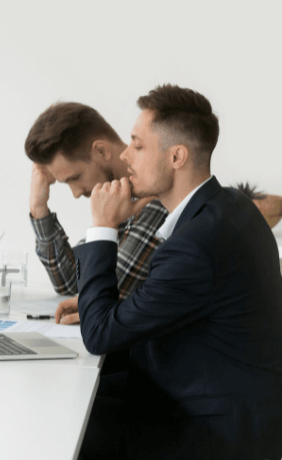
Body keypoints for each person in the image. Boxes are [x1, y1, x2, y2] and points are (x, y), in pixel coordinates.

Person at [75, 84, 282, 459]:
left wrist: (103, 227)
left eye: (138, 146)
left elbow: (99, 334)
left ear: (177, 157)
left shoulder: (196, 244)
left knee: (70, 424)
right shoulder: (229, 205)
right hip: (212, 399)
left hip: (209, 432)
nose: (125, 156)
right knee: (76, 397)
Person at [24, 102, 168, 325]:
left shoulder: (157, 199)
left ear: (101, 151)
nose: (76, 192)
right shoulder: (122, 197)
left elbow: (100, 298)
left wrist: (103, 225)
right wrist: (39, 210)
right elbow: (72, 284)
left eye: (74, 178)